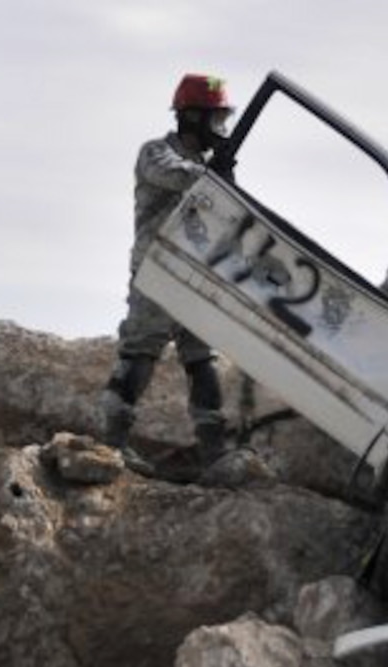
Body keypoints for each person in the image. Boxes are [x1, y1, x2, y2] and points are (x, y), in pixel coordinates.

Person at [98, 73, 237, 472]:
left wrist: (224, 176)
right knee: (140, 350)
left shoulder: (208, 165)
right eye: (215, 119)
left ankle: (214, 451)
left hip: (193, 273)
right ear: (191, 117)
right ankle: (113, 444)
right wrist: (216, 176)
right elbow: (175, 176)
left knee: (201, 359)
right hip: (157, 268)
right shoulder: (156, 153)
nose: (220, 129)